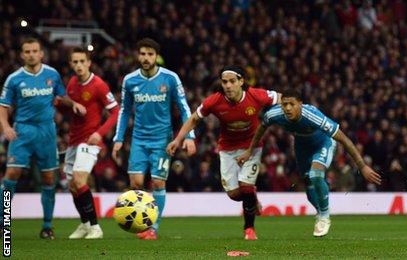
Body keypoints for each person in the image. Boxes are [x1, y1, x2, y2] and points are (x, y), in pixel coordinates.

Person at [236, 89, 381, 237]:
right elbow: (261, 128)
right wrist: (249, 151)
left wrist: (362, 166)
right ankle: (320, 210)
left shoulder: (312, 116)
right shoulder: (275, 114)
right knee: (309, 183)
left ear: (300, 104)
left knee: (315, 174)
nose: (287, 108)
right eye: (284, 104)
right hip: (301, 147)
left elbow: (344, 139)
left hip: (323, 143)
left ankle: (324, 216)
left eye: (292, 104)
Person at [167, 65, 279, 240]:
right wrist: (178, 139)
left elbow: (282, 98)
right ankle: (252, 198)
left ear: (241, 82)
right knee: (234, 195)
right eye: (225, 82)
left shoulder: (256, 95)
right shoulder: (214, 101)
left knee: (246, 186)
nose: (228, 85)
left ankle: (249, 229)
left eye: (232, 81)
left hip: (252, 147)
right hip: (227, 149)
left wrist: (296, 113)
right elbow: (194, 119)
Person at [0, 37, 86, 239]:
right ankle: (3, 221)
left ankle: (47, 226)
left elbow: (61, 95)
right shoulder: (14, 79)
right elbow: (3, 106)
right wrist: (5, 127)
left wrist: (72, 103)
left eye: (34, 51)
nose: (31, 54)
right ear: (22, 55)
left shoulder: (52, 74)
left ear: (41, 53)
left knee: (49, 178)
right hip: (22, 132)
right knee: (11, 174)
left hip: (47, 132)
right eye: (27, 51)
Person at [113, 38, 196, 240]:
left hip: (162, 139)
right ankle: (141, 223)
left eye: (150, 54)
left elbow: (184, 107)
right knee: (136, 182)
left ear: (156, 56)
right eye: (142, 54)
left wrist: (189, 136)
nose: (146, 58)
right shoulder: (130, 80)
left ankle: (153, 228)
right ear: (137, 55)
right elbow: (124, 111)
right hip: (139, 139)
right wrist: (118, 138)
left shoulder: (170, 78)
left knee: (158, 183)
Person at [64, 47, 120, 239]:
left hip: (90, 140)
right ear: (71, 64)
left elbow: (115, 111)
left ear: (89, 62)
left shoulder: (98, 85)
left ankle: (96, 227)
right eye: (75, 62)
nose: (79, 65)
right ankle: (85, 224)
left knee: (79, 180)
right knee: (72, 185)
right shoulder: (71, 83)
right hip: (73, 140)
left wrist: (100, 133)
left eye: (82, 61)